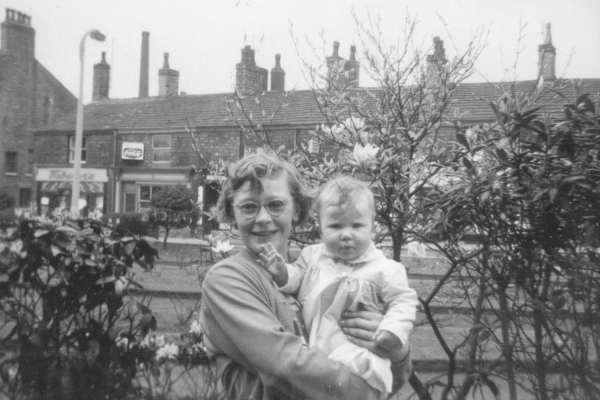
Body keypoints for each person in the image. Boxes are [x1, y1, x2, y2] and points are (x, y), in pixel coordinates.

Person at [199, 153, 412, 400]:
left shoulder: (312, 278)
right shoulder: (228, 279)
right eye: (248, 207)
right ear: (232, 213)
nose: (263, 218)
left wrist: (396, 351)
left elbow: (390, 381)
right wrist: (365, 392)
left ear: (297, 209)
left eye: (275, 205)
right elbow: (286, 366)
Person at [259, 176, 418, 399]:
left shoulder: (386, 270)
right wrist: (282, 272)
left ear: (372, 225)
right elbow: (296, 279)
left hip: (363, 361)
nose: (346, 234)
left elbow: (404, 301)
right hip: (320, 359)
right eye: (335, 226)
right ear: (320, 229)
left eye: (356, 225)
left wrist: (393, 330)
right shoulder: (312, 257)